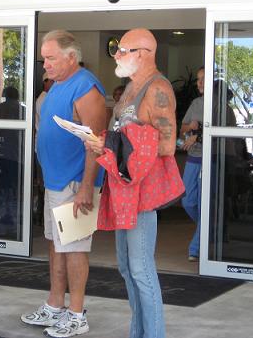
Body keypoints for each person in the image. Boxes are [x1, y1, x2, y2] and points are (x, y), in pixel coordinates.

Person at [86, 28, 183, 338]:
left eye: (123, 50)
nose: (116, 54)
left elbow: (166, 146)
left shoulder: (158, 89)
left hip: (141, 193)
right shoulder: (129, 89)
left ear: (143, 53)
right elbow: (123, 136)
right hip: (123, 190)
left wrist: (116, 148)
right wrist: (102, 144)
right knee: (128, 270)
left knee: (141, 270)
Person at [21, 30, 106, 338]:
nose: (46, 64)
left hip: (74, 183)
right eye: (45, 58)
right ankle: (55, 305)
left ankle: (77, 313)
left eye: (51, 57)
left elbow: (96, 142)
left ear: (71, 57)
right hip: (56, 182)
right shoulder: (59, 85)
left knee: (74, 249)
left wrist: (85, 186)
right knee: (56, 246)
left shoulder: (85, 87)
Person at [179, 66, 204, 262]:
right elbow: (183, 129)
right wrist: (191, 128)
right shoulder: (196, 102)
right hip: (194, 157)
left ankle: (196, 247)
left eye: (204, 79)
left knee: (206, 204)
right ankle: (208, 228)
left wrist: (199, 135)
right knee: (188, 200)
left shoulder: (221, 104)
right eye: (198, 79)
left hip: (211, 157)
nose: (200, 83)